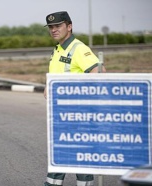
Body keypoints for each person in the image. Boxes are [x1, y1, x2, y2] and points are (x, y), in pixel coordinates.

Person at [43, 11, 106, 186]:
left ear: (69, 26)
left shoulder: (79, 49)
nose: (54, 30)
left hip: (77, 114)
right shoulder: (58, 49)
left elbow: (100, 74)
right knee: (61, 152)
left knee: (80, 153)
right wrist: (48, 85)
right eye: (51, 27)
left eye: (58, 26)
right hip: (61, 113)